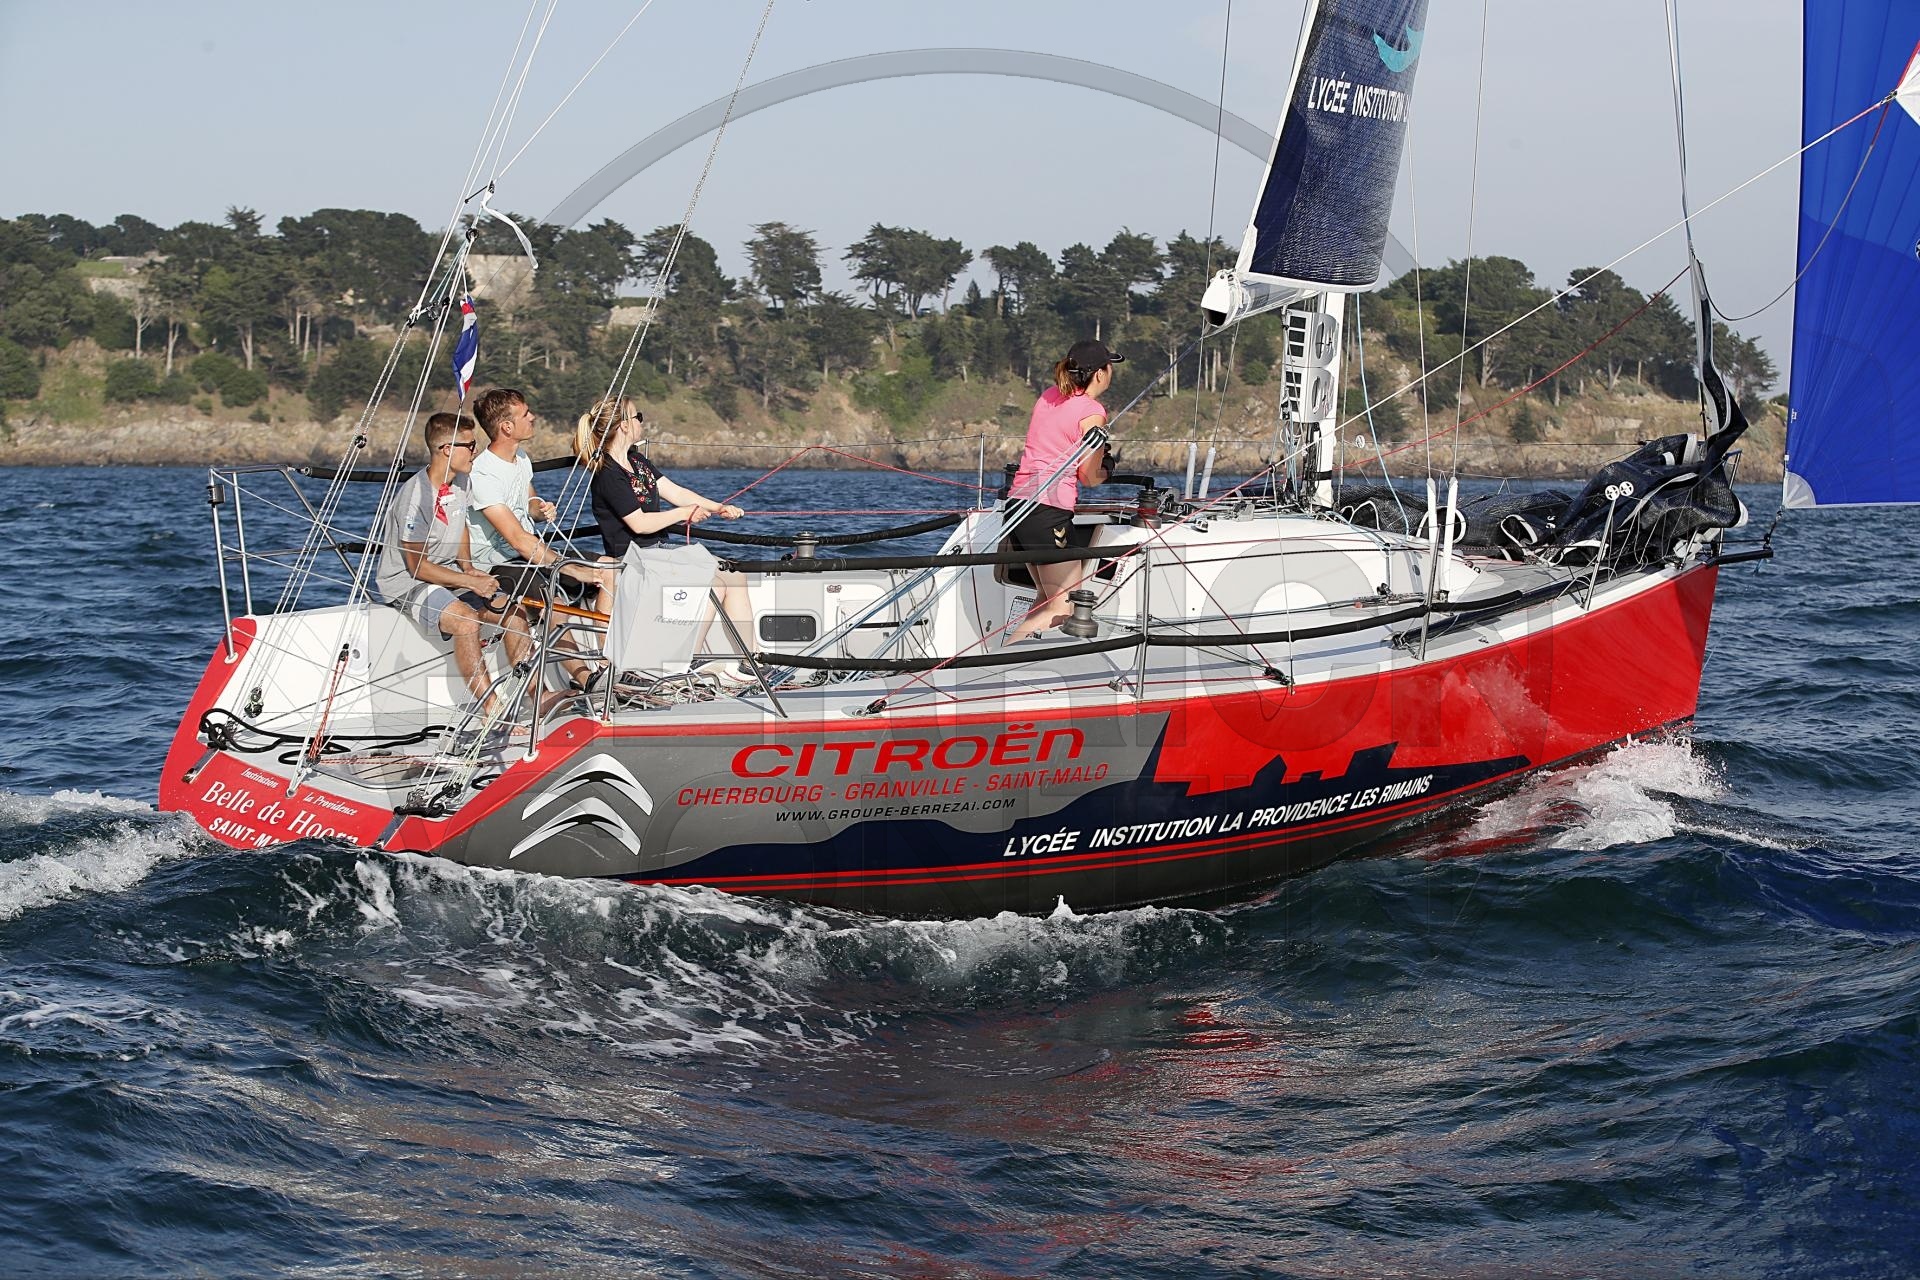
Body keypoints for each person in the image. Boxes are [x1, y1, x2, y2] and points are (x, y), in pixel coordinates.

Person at [573, 395, 758, 672]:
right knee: (712, 586)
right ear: (624, 425)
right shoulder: (608, 474)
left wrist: (718, 508)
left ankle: (750, 661)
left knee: (734, 575)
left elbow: (676, 492)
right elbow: (640, 524)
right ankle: (687, 661)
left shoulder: (638, 461)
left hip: (660, 555)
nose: (642, 422)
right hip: (635, 561)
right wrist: (683, 514)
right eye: (638, 417)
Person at [372, 412, 525, 709]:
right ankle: (490, 708)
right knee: (466, 621)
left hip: (449, 573)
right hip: (408, 583)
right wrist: (469, 582)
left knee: (513, 612)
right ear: (446, 449)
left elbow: (461, 524)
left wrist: (468, 567)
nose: (475, 451)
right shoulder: (416, 498)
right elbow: (417, 567)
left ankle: (537, 694)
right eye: (470, 446)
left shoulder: (462, 481)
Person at [467, 387, 614, 690]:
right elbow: (518, 540)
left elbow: (529, 504)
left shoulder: (520, 458)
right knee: (552, 599)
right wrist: (571, 569)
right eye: (525, 414)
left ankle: (607, 664)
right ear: (507, 427)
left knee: (609, 567)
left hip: (530, 554)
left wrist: (540, 507)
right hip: (499, 564)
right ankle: (585, 679)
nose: (533, 417)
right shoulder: (482, 475)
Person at [1003, 338, 1121, 642]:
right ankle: (997, 660)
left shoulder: (1049, 395)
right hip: (1047, 511)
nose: (1111, 372)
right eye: (1110, 367)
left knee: (1046, 599)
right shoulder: (1092, 413)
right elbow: (1089, 477)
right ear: (1100, 373)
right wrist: (1108, 466)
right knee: (1063, 608)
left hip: (1018, 505)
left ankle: (1013, 660)